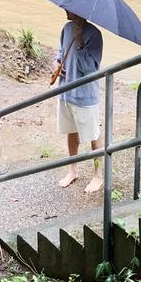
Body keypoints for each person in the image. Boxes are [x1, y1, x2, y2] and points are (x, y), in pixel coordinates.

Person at [53, 11, 104, 192]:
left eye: (69, 7)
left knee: (93, 135)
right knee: (71, 132)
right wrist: (57, 65)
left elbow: (91, 69)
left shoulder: (94, 34)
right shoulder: (66, 29)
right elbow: (60, 52)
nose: (65, 9)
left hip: (85, 95)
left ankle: (98, 176)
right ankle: (73, 170)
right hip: (66, 91)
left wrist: (80, 43)